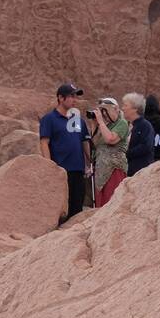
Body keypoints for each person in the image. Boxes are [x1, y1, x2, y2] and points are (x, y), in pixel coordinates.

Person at [39, 83, 92, 220]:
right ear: (61, 98)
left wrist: (90, 162)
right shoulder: (49, 119)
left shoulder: (79, 120)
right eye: (71, 96)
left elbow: (84, 142)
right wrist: (49, 166)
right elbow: (44, 142)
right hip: (61, 170)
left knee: (77, 208)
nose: (75, 100)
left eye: (76, 97)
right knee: (62, 210)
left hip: (78, 170)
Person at [90, 97, 130, 208]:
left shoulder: (122, 123)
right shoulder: (104, 126)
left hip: (114, 169)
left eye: (105, 111)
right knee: (101, 205)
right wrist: (94, 125)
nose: (104, 114)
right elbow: (94, 144)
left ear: (116, 109)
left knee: (112, 202)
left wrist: (101, 122)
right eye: (102, 112)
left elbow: (110, 139)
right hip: (100, 171)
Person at [123, 93, 154, 176]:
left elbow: (146, 146)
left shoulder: (145, 125)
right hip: (129, 170)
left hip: (141, 171)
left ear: (135, 109)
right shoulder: (129, 125)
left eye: (125, 105)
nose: (123, 108)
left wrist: (125, 153)